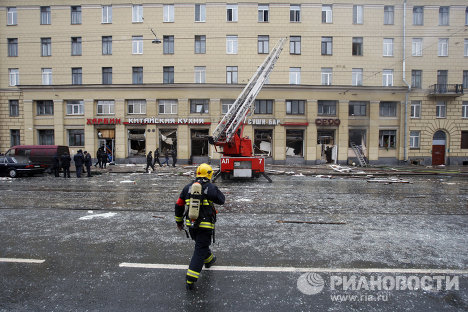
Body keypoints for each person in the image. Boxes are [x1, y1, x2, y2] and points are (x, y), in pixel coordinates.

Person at [174, 163, 225, 290]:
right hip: (205, 226)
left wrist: (179, 222)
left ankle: (209, 260)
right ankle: (190, 278)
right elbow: (222, 200)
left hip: (191, 226)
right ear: (209, 174)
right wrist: (214, 190)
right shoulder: (210, 187)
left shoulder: (187, 188)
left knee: (201, 244)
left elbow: (179, 205)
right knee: (200, 249)